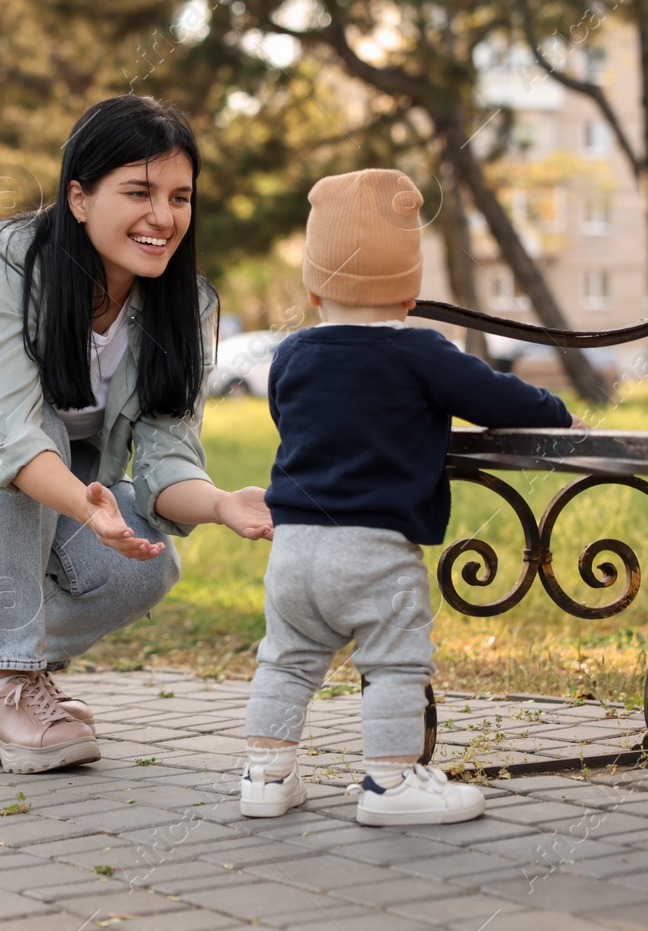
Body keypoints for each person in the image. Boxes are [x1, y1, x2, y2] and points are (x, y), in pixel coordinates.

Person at [0, 95, 273, 774]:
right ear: (79, 197)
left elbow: (166, 461)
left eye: (179, 196)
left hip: (39, 477)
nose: (163, 217)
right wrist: (83, 505)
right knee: (26, 429)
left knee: (145, 563)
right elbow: (9, 433)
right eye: (139, 191)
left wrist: (221, 504)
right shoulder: (7, 262)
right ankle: (10, 682)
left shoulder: (184, 306)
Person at [240, 168, 581, 826]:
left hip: (294, 548)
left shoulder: (292, 357)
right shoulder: (422, 352)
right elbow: (500, 400)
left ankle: (265, 774)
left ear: (314, 288)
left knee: (284, 661)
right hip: (375, 549)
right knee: (395, 664)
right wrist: (559, 416)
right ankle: (391, 785)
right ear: (410, 290)